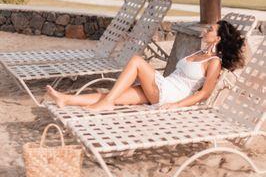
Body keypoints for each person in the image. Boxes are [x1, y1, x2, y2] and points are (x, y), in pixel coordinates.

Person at [46, 20, 245, 111]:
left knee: (136, 61)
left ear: (217, 38)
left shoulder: (214, 63)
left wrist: (176, 105)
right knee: (115, 95)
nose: (206, 30)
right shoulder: (198, 53)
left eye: (210, 29)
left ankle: (104, 103)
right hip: (163, 86)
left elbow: (204, 94)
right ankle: (66, 99)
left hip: (170, 94)